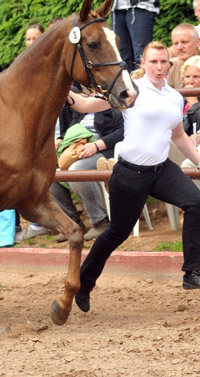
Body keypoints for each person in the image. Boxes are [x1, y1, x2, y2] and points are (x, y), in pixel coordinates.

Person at [67, 41, 200, 313]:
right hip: (129, 173)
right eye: (154, 62)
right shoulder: (129, 90)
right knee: (118, 232)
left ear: (169, 63)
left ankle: (192, 272)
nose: (160, 67)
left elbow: (179, 136)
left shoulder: (174, 97)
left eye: (164, 62)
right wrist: (63, 93)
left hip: (161, 170)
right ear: (143, 63)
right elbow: (84, 105)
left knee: (196, 202)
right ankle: (83, 282)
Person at [49, 101, 123, 242]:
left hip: (104, 151)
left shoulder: (113, 103)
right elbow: (73, 128)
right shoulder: (83, 107)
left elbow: (122, 131)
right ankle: (71, 223)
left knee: (77, 170)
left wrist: (96, 146)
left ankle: (100, 222)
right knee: (51, 174)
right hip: (77, 150)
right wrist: (61, 139)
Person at [96, 0, 159, 72]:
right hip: (117, 7)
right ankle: (127, 86)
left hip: (141, 5)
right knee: (121, 54)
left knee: (141, 53)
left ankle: (142, 84)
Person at [167, 23, 200, 89]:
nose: (179, 47)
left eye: (184, 42)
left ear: (197, 42)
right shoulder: (175, 68)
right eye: (176, 43)